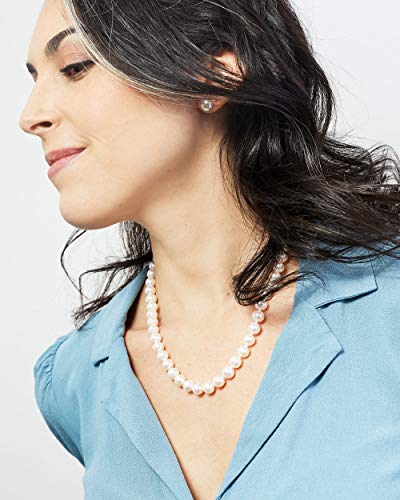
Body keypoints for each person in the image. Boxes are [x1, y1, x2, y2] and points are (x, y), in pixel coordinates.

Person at [19, 0, 400, 499]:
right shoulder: (74, 382)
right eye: (34, 78)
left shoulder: (386, 312)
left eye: (74, 67)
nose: (31, 117)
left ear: (213, 76)